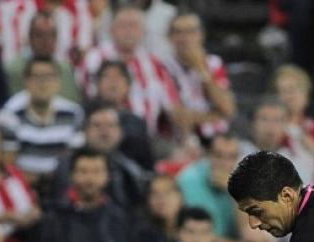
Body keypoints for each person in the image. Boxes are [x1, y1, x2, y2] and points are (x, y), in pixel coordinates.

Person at [78, 6, 181, 137]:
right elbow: (87, 97)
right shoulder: (94, 58)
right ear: (112, 30)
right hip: (102, 136)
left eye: (134, 26)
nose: (128, 31)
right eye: (123, 25)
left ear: (143, 31)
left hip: (146, 139)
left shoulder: (155, 65)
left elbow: (173, 107)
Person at [0, 56, 84, 182]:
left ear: (58, 82)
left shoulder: (73, 113)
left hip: (62, 185)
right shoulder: (8, 116)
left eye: (49, 77)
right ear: (26, 82)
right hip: (22, 185)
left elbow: (75, 159)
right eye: (36, 77)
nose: (43, 83)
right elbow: (8, 165)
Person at [54, 100, 148, 212]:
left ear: (120, 132)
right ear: (85, 131)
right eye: (97, 126)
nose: (104, 132)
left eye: (110, 125)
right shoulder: (69, 164)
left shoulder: (127, 166)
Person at [163, 12, 235, 141]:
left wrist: (201, 69)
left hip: (218, 137)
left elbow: (228, 109)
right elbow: (180, 117)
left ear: (201, 35)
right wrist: (215, 115)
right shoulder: (163, 67)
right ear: (170, 37)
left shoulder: (214, 63)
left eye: (190, 31)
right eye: (178, 32)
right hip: (183, 139)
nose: (184, 38)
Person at [176, 132, 244, 242]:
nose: (225, 163)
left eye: (231, 157)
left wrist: (235, 193)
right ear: (207, 155)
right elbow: (194, 233)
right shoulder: (188, 180)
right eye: (218, 156)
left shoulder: (246, 181)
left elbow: (249, 231)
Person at [272, 65, 314, 177]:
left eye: (292, 90)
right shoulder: (271, 125)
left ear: (305, 95)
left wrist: (309, 142)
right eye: (282, 91)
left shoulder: (312, 127)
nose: (288, 97)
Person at [4, 11, 81, 102]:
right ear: (30, 38)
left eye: (51, 35)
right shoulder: (13, 69)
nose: (46, 41)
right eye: (39, 35)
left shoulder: (65, 69)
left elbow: (73, 104)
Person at [93, 60, 153, 171]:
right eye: (106, 77)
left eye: (118, 77)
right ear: (97, 85)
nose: (113, 82)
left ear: (128, 86)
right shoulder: (84, 114)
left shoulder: (137, 122)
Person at [0, 123, 40, 241]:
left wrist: (34, 212)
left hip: (26, 233)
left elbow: (31, 201)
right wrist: (7, 217)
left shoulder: (13, 173)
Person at [251, 99, 314, 183]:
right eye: (264, 119)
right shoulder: (235, 153)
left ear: (285, 126)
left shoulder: (300, 162)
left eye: (276, 120)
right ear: (253, 124)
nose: (270, 126)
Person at [132, 173, 183, 242]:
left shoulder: (192, 226)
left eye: (167, 192)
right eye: (155, 193)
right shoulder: (141, 236)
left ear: (180, 198)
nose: (161, 198)